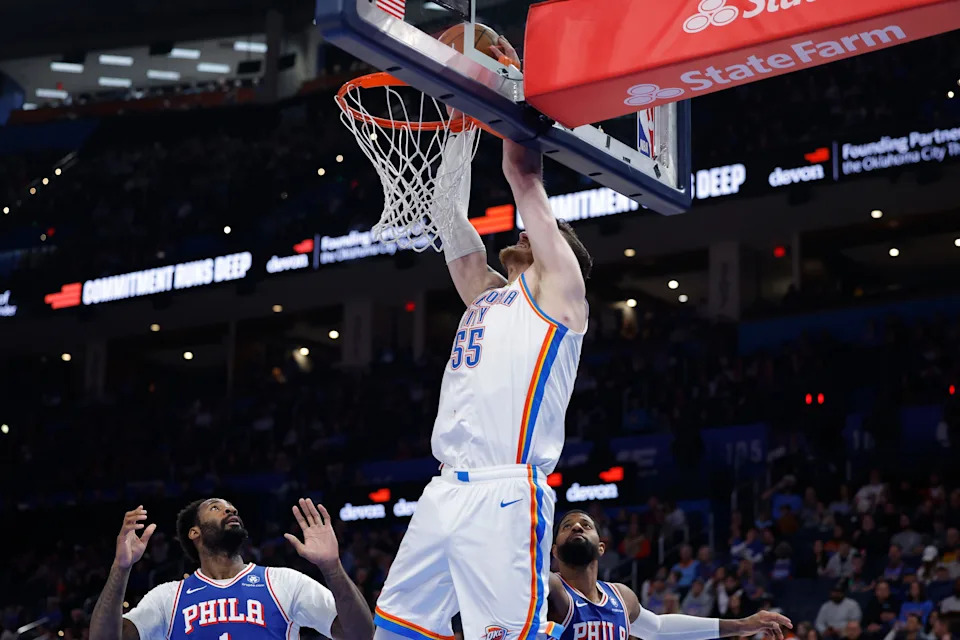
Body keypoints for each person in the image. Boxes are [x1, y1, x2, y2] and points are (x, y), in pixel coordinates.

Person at [372, 35, 594, 640]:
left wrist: (505, 88)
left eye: (540, 233)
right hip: (444, 489)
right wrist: (460, 121)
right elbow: (448, 216)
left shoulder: (558, 297)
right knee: (393, 632)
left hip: (505, 490)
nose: (524, 232)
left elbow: (522, 174)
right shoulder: (489, 295)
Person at [89, 499, 373, 640]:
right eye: (217, 508)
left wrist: (333, 568)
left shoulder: (282, 581)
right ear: (194, 533)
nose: (230, 511)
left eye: (233, 509)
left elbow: (360, 635)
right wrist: (120, 568)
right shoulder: (168, 598)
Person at [547, 511, 792, 640]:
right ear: (554, 550)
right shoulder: (547, 587)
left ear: (601, 547)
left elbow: (658, 629)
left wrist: (742, 625)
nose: (577, 527)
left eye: (586, 525)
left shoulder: (621, 597)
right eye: (566, 526)